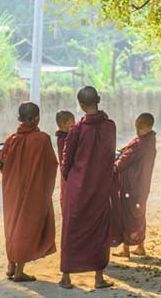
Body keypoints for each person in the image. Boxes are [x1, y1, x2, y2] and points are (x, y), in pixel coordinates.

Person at [60, 86, 116, 290]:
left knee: (72, 228)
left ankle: (66, 276)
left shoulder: (76, 129)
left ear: (81, 105)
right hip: (101, 185)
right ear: (98, 100)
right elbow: (110, 155)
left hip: (78, 187)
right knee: (99, 230)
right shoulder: (110, 126)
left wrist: (71, 178)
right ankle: (98, 277)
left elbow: (67, 159)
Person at [0, 102, 58, 282]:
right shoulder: (42, 139)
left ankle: (11, 264)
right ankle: (19, 272)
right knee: (27, 227)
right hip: (33, 191)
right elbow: (51, 166)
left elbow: (3, 164)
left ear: (20, 118)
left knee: (12, 224)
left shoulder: (11, 139)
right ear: (36, 118)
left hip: (12, 190)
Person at [112, 113, 157, 258]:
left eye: (140, 128)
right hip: (142, 186)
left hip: (132, 185)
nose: (137, 131)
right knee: (139, 213)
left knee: (128, 214)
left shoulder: (142, 144)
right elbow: (128, 149)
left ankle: (126, 249)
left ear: (149, 127)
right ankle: (140, 246)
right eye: (136, 127)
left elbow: (125, 159)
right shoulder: (149, 139)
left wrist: (114, 166)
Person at [55, 110, 76, 207]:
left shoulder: (64, 137)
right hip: (68, 173)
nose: (75, 124)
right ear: (64, 123)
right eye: (72, 121)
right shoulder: (63, 139)